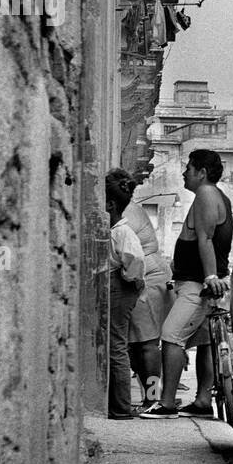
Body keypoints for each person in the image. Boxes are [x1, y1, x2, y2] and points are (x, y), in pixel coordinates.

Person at [142, 149, 233, 419]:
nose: (184, 173)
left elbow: (205, 239)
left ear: (202, 173)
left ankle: (167, 403)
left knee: (171, 336)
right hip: (199, 283)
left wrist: (209, 277)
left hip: (198, 284)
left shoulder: (207, 194)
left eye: (189, 168)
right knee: (205, 343)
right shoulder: (215, 196)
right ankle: (203, 401)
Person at [106, 169, 170, 406]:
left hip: (145, 280)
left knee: (147, 345)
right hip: (140, 277)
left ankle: (153, 398)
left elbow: (132, 260)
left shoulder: (126, 216)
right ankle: (150, 397)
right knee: (137, 346)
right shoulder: (128, 209)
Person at [105, 179, 146, 420]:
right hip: (118, 285)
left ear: (110, 204)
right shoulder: (116, 231)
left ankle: (121, 407)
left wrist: (129, 277)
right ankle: (118, 404)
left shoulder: (123, 232)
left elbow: (136, 261)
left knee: (117, 345)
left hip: (121, 286)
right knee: (115, 344)